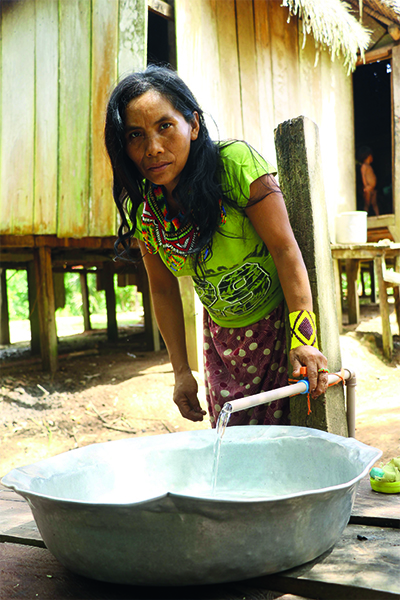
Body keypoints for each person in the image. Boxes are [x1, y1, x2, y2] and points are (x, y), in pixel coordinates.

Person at [104, 64, 329, 427]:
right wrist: (180, 372)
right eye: (135, 135)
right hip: (222, 346)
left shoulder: (234, 166)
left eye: (165, 126)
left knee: (293, 447)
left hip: (280, 328)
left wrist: (304, 338)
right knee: (235, 456)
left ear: (193, 125)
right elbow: (162, 290)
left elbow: (285, 249)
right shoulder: (147, 211)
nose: (153, 148)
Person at [358, 146, 379, 216]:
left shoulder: (369, 166)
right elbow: (363, 176)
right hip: (368, 188)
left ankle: (377, 216)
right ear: (368, 156)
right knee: (367, 204)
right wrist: (366, 186)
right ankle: (365, 217)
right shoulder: (364, 166)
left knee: (374, 204)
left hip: (372, 188)